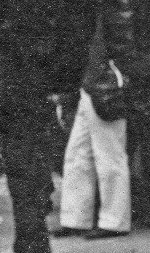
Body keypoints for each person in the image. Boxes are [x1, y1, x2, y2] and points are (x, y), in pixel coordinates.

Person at [54, 17, 132, 240]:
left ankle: (110, 220)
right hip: (94, 83)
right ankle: (81, 218)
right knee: (79, 154)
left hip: (98, 82)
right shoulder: (101, 5)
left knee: (103, 155)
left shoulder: (99, 6)